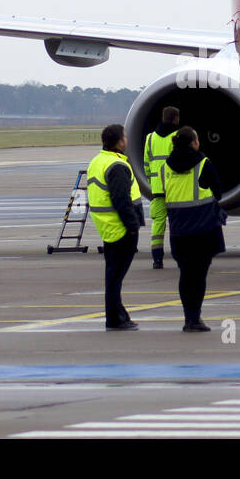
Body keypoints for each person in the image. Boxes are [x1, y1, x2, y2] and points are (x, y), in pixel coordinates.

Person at [159, 126, 225, 332]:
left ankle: (188, 318)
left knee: (185, 275)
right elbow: (219, 192)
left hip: (179, 231)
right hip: (203, 230)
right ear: (193, 143)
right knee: (199, 276)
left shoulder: (165, 168)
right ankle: (195, 318)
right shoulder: (203, 164)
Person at [86, 124, 144, 331]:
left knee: (113, 276)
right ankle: (115, 318)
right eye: (125, 137)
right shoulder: (117, 165)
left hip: (107, 227)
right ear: (120, 141)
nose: (127, 140)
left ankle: (118, 314)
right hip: (120, 228)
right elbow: (121, 199)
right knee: (115, 278)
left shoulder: (97, 161)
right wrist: (132, 226)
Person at [143, 106, 180, 269]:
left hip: (157, 188)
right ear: (175, 118)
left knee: (158, 224)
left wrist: (153, 181)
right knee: (176, 222)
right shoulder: (177, 136)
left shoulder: (150, 138)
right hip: (175, 187)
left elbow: (146, 165)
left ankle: (157, 259)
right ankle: (179, 255)